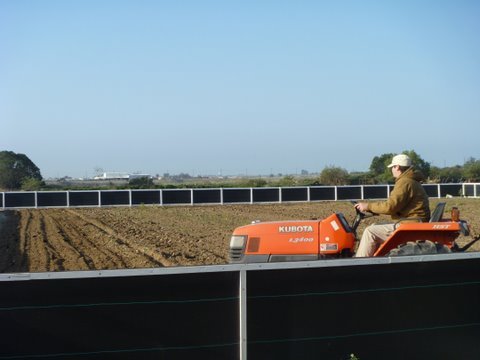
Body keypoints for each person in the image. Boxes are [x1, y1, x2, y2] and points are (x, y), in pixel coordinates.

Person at [354, 154, 431, 257]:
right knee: (374, 227)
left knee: (370, 232)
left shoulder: (404, 182)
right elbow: (394, 205)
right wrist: (373, 208)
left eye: (392, 167)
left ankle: (359, 265)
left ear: (397, 167)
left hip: (410, 223)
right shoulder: (411, 180)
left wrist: (368, 206)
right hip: (413, 221)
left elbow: (390, 207)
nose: (392, 170)